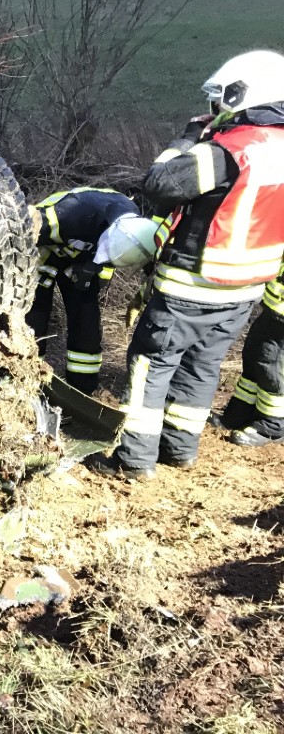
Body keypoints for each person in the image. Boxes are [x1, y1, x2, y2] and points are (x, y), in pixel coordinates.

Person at [89, 50, 284, 481]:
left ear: (243, 97)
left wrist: (187, 139)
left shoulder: (228, 151)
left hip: (191, 284)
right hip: (246, 289)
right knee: (203, 365)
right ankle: (180, 449)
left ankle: (133, 459)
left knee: (151, 364)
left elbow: (158, 185)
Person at [26, 188, 159, 394]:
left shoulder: (135, 231)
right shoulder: (71, 213)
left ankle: (82, 388)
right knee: (34, 316)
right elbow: (24, 235)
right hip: (42, 252)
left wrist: (93, 272)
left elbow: (127, 260)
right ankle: (25, 380)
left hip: (83, 261)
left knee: (87, 319)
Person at [211, 264, 284, 446]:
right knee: (254, 356)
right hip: (275, 306)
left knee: (271, 362)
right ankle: (240, 414)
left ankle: (272, 427)